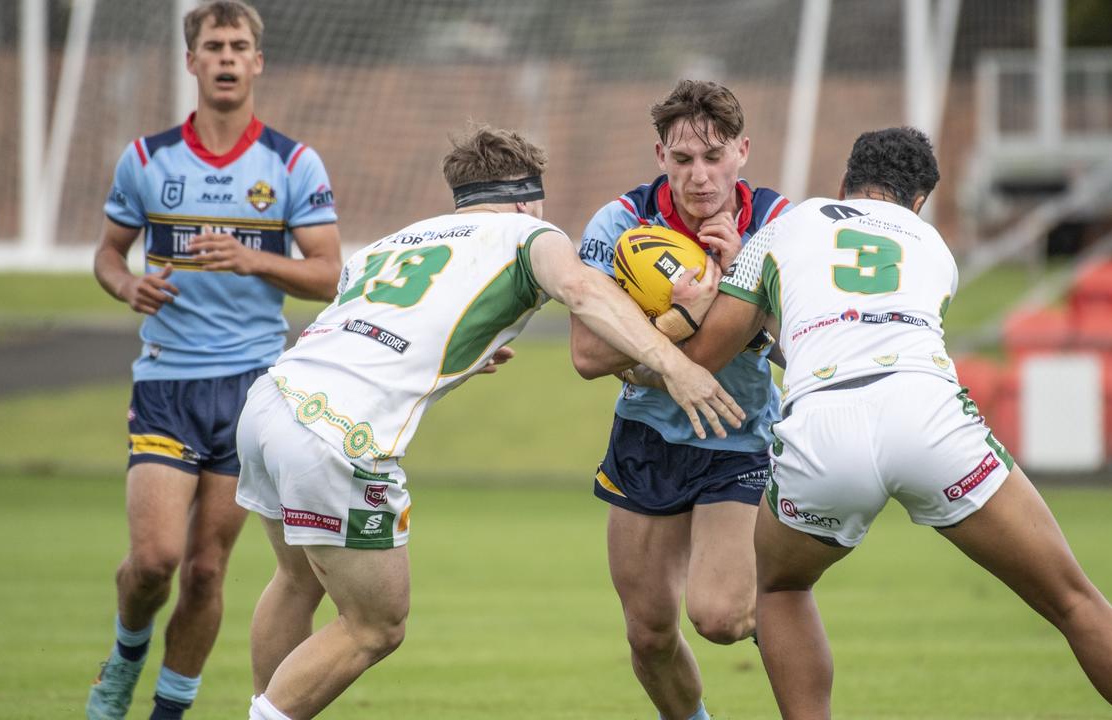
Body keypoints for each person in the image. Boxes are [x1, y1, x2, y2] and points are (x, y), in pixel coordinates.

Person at [654, 126, 1112, 719]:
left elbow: (704, 359)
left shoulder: (782, 228)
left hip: (824, 423)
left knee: (781, 587)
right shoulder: (935, 247)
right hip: (927, 413)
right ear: (918, 202)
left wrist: (702, 300)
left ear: (844, 183)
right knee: (1073, 600)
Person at [234, 124, 744, 720]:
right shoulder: (530, 233)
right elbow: (582, 291)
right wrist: (674, 361)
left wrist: (462, 358)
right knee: (375, 625)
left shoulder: (390, 243)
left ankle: (267, 704)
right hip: (338, 433)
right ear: (529, 197)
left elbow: (378, 329)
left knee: (297, 582)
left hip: (272, 399)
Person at [89, 2, 342, 718]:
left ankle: (169, 712)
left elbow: (328, 274)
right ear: (191, 61)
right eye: (213, 46)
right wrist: (127, 283)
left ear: (257, 63)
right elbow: (108, 253)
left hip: (252, 389)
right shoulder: (146, 159)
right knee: (154, 562)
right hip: (167, 378)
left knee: (205, 571)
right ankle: (123, 660)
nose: (227, 58)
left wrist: (249, 258)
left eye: (239, 47)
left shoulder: (293, 163)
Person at [570, 79, 791, 720]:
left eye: (714, 156)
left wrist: (743, 278)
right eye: (683, 158)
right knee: (649, 634)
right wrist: (684, 315)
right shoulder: (621, 224)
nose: (700, 177)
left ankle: (786, 615)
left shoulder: (778, 223)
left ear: (743, 151)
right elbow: (587, 355)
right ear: (660, 154)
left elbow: (797, 340)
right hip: (647, 439)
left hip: (739, 437)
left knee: (721, 617)